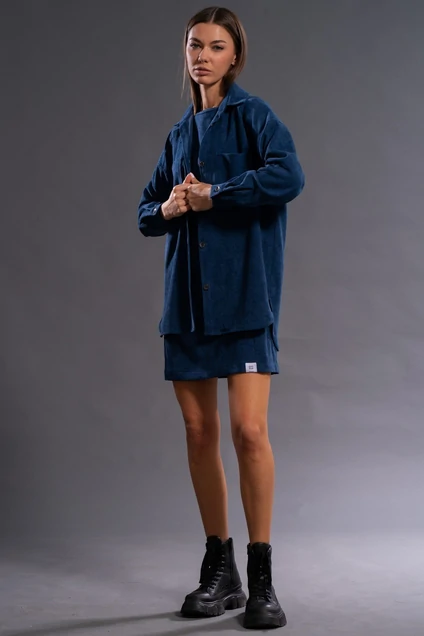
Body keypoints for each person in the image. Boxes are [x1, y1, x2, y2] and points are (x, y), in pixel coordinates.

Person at [137, 6, 305, 630]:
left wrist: (216, 194)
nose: (202, 56)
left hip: (244, 301)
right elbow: (146, 212)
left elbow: (288, 175)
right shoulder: (178, 135)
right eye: (194, 45)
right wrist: (170, 206)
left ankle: (261, 577)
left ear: (235, 56)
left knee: (249, 433)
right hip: (186, 304)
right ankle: (220, 568)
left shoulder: (254, 116)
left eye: (214, 46)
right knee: (198, 432)